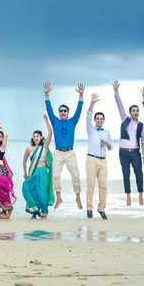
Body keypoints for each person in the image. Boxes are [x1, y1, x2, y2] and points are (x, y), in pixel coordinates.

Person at [43, 82, 85, 210]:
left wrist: (81, 96)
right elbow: (49, 110)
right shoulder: (55, 121)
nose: (62, 112)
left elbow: (79, 110)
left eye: (64, 111)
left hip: (70, 153)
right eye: (60, 111)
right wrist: (46, 95)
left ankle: (78, 197)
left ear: (67, 112)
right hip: (58, 153)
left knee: (76, 175)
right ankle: (59, 197)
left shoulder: (73, 121)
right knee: (55, 175)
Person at [112, 81, 144, 207]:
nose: (136, 112)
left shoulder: (142, 126)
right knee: (126, 174)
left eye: (137, 111)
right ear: (130, 112)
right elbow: (119, 105)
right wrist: (116, 92)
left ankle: (140, 194)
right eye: (133, 110)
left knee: (139, 173)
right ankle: (128, 195)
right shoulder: (125, 119)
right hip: (123, 152)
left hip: (135, 153)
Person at [85, 92, 112, 219]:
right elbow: (88, 115)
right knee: (90, 185)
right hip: (91, 159)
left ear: (103, 120)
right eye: (98, 119)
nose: (99, 120)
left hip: (103, 161)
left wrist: (107, 144)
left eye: (101, 119)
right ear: (95, 120)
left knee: (103, 186)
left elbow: (111, 147)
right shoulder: (90, 129)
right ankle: (89, 208)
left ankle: (101, 209)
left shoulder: (107, 132)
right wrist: (93, 103)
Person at [22, 114, 54, 219]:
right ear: (32, 137)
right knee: (27, 189)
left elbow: (50, 133)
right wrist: (25, 173)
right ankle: (34, 212)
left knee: (42, 194)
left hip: (43, 172)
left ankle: (44, 213)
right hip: (33, 172)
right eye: (34, 136)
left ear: (41, 138)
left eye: (38, 136)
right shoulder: (29, 148)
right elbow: (24, 160)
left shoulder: (44, 147)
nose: (36, 138)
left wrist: (46, 120)